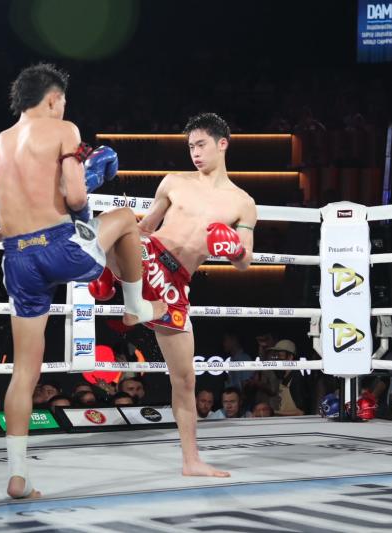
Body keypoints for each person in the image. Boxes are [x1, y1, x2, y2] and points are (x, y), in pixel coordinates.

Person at [0, 63, 166, 499]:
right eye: (63, 102)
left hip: (17, 258)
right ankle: (135, 305)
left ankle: (18, 475)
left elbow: (17, 212)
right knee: (124, 219)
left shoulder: (0, 143)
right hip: (60, 249)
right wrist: (89, 176)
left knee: (25, 371)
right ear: (54, 99)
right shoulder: (64, 130)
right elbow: (76, 197)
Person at [94, 113, 257, 476]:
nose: (195, 153)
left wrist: (233, 249)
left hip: (175, 284)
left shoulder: (243, 202)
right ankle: (99, 266)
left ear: (222, 144)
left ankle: (191, 461)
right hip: (148, 256)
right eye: (190, 147)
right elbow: (146, 227)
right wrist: (121, 249)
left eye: (201, 145)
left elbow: (245, 260)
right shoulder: (174, 182)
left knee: (184, 380)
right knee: (122, 217)